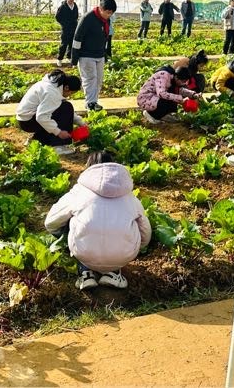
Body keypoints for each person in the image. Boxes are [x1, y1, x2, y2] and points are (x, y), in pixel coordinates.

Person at [44, 151, 151, 291]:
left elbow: (50, 222)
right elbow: (145, 230)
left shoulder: (79, 192)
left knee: (70, 220)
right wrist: (138, 246)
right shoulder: (128, 195)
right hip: (123, 255)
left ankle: (85, 273)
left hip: (84, 252)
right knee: (133, 223)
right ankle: (113, 273)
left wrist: (64, 237)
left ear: (88, 168)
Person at [16, 70, 85, 155]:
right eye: (71, 93)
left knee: (63, 107)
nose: (70, 95)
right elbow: (41, 117)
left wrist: (82, 123)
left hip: (26, 119)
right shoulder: (52, 93)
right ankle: (59, 146)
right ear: (67, 88)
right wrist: (59, 132)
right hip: (28, 122)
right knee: (66, 107)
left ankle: (36, 140)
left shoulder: (53, 86)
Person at [71, 0, 115, 111]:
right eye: (108, 12)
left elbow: (106, 37)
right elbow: (77, 38)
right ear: (101, 9)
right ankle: (90, 103)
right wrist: (74, 58)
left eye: (111, 13)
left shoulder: (106, 20)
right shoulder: (88, 18)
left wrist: (106, 53)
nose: (109, 15)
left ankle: (94, 101)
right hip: (86, 55)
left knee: (98, 80)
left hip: (99, 54)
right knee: (90, 79)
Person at [55, 0, 79, 66]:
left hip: (73, 28)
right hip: (65, 29)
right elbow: (57, 17)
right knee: (64, 44)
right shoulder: (63, 6)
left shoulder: (75, 6)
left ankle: (69, 57)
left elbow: (76, 15)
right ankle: (59, 59)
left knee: (71, 44)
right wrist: (63, 24)